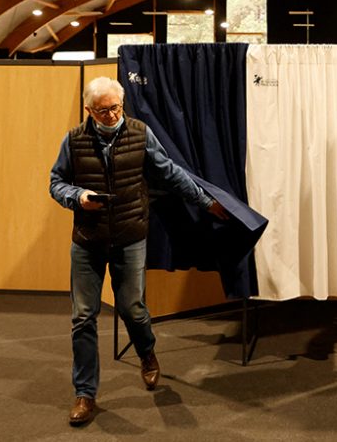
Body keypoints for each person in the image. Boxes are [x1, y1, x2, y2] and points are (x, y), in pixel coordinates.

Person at [49, 76, 228, 426]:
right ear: (89, 111)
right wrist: (77, 198)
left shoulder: (140, 133)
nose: (112, 114)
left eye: (116, 107)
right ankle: (85, 393)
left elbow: (170, 174)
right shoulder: (73, 140)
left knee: (133, 308)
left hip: (130, 236)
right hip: (87, 240)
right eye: (103, 110)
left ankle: (147, 353)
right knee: (82, 317)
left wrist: (205, 201)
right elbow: (56, 182)